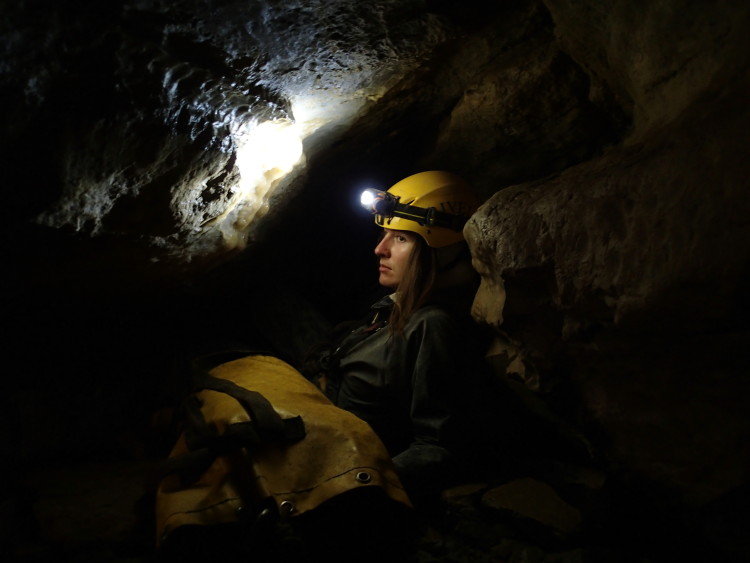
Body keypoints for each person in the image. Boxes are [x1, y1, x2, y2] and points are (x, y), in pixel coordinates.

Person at [311, 170, 491, 499]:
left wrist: (355, 487)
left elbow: (438, 445)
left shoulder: (432, 325)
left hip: (340, 469)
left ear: (441, 252)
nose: (380, 249)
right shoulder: (394, 306)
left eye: (402, 238)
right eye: (384, 233)